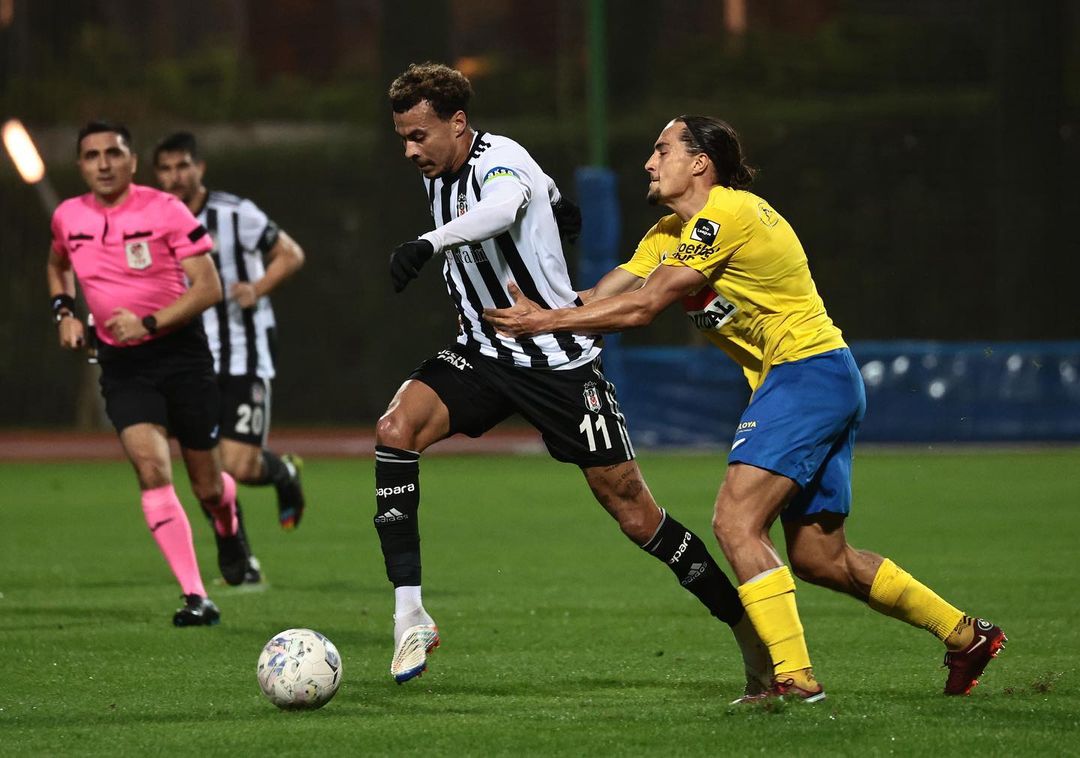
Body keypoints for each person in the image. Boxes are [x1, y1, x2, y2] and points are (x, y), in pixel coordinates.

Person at [484, 115, 1006, 701]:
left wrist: (546, 323)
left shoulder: (728, 213)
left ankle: (794, 678)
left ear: (699, 163)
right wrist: (532, 307)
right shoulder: (668, 233)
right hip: (818, 379)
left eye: (662, 150)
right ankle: (965, 635)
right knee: (820, 558)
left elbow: (644, 308)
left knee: (735, 522)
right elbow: (600, 299)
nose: (649, 163)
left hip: (807, 373)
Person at [378, 63, 769, 687]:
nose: (410, 150)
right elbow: (538, 188)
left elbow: (503, 204)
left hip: (557, 361)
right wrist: (558, 202)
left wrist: (429, 243)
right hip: (483, 352)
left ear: (458, 123)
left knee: (637, 516)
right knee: (395, 430)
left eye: (419, 136)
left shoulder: (497, 158)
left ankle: (749, 630)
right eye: (403, 137)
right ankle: (411, 617)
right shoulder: (442, 170)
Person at [47, 120, 254, 625]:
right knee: (151, 469)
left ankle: (228, 522)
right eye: (92, 155)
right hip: (123, 364)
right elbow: (57, 264)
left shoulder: (165, 210)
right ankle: (196, 596)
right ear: (80, 165)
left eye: (113, 153)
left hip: (182, 356)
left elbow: (208, 287)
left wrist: (148, 322)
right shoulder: (68, 215)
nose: (103, 164)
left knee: (208, 488)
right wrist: (65, 312)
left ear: (132, 161)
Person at [152, 133, 307, 553]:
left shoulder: (236, 213)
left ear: (199, 168)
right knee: (206, 466)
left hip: (244, 350)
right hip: (189, 358)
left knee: (239, 465)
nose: (175, 176)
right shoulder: (154, 222)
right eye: (165, 169)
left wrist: (257, 288)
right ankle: (236, 551)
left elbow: (291, 254)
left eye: (182, 166)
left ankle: (283, 474)